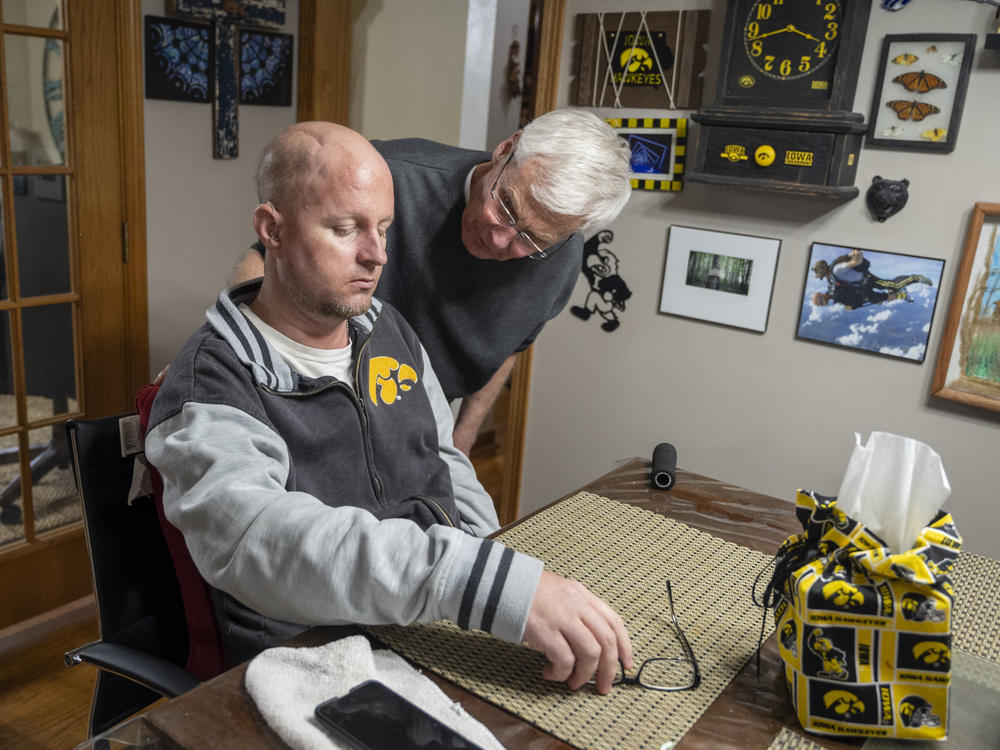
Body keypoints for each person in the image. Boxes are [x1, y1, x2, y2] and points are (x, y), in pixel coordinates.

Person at [145, 121, 632, 693]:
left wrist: (507, 574)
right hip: (310, 657)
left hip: (417, 623)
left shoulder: (387, 330)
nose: (377, 256)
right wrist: (476, 582)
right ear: (272, 231)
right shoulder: (214, 380)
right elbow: (256, 539)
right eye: (345, 229)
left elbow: (443, 459)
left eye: (383, 229)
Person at [229, 109, 633, 454]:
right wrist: (227, 353)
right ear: (507, 149)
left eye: (530, 239)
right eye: (505, 205)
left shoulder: (560, 258)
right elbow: (266, 256)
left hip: (424, 419)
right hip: (316, 401)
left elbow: (512, 344)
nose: (499, 238)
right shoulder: (392, 176)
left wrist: (465, 432)